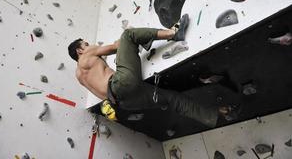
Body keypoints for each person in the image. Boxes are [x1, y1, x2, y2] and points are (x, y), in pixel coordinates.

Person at [68, 14, 238, 128]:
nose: (89, 46)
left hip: (124, 103)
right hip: (122, 83)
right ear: (79, 51)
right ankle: (174, 33)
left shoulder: (79, 76)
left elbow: (103, 92)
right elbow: (116, 46)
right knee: (128, 35)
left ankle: (216, 114)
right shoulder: (86, 55)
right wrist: (132, 41)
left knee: (173, 100)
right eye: (86, 44)